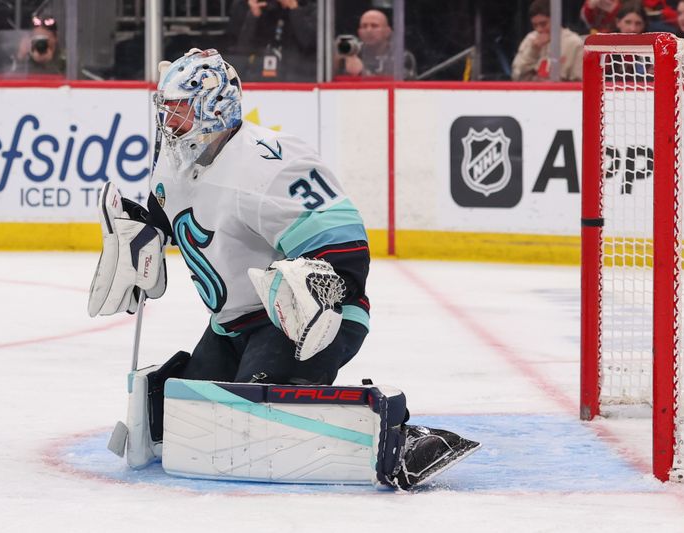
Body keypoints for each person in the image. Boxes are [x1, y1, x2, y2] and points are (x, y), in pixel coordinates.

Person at [87, 48, 480, 490]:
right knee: (182, 419)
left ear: (213, 110)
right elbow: (174, 214)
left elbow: (346, 250)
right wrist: (143, 240)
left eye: (179, 110)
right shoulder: (176, 158)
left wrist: (320, 297)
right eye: (166, 110)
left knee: (248, 421)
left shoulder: (269, 163)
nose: (168, 123)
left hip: (303, 321)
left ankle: (401, 439)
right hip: (230, 326)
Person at [225, 0, 317, 82]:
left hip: (300, 78)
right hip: (261, 77)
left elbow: (309, 43)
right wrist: (253, 16)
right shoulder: (264, 8)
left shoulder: (312, 9)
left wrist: (294, 8)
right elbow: (242, 48)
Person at [512, 0, 584, 82]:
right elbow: (516, 75)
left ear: (556, 20)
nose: (539, 29)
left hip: (562, 93)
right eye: (535, 25)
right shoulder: (530, 39)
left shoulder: (574, 43)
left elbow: (579, 80)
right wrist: (533, 50)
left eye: (543, 24)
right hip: (532, 92)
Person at [335, 9, 417, 80]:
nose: (368, 30)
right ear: (359, 32)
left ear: (387, 32)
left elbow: (404, 87)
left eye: (374, 26)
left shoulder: (402, 57)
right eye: (364, 26)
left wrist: (361, 72)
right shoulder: (352, 52)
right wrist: (335, 64)